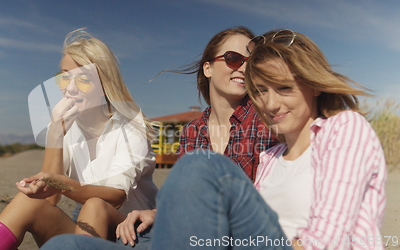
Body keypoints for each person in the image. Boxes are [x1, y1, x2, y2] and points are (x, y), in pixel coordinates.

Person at [40, 27, 278, 249]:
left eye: (252, 63)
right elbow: (188, 203)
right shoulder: (192, 131)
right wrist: (157, 212)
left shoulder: (268, 121)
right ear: (207, 68)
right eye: (233, 59)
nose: (245, 69)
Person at [147, 29, 386, 249]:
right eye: (260, 91)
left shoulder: (343, 129)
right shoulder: (270, 158)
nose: (270, 104)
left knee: (198, 163)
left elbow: (326, 240)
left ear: (314, 84)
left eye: (284, 88)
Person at [0, 29, 158, 250]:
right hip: (89, 233)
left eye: (84, 80)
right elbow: (48, 201)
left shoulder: (130, 129)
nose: (71, 88)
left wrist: (61, 185)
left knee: (95, 205)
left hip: (133, 235)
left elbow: (115, 197)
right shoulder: (67, 126)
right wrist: (55, 132)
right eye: (65, 77)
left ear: (104, 84)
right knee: (28, 202)